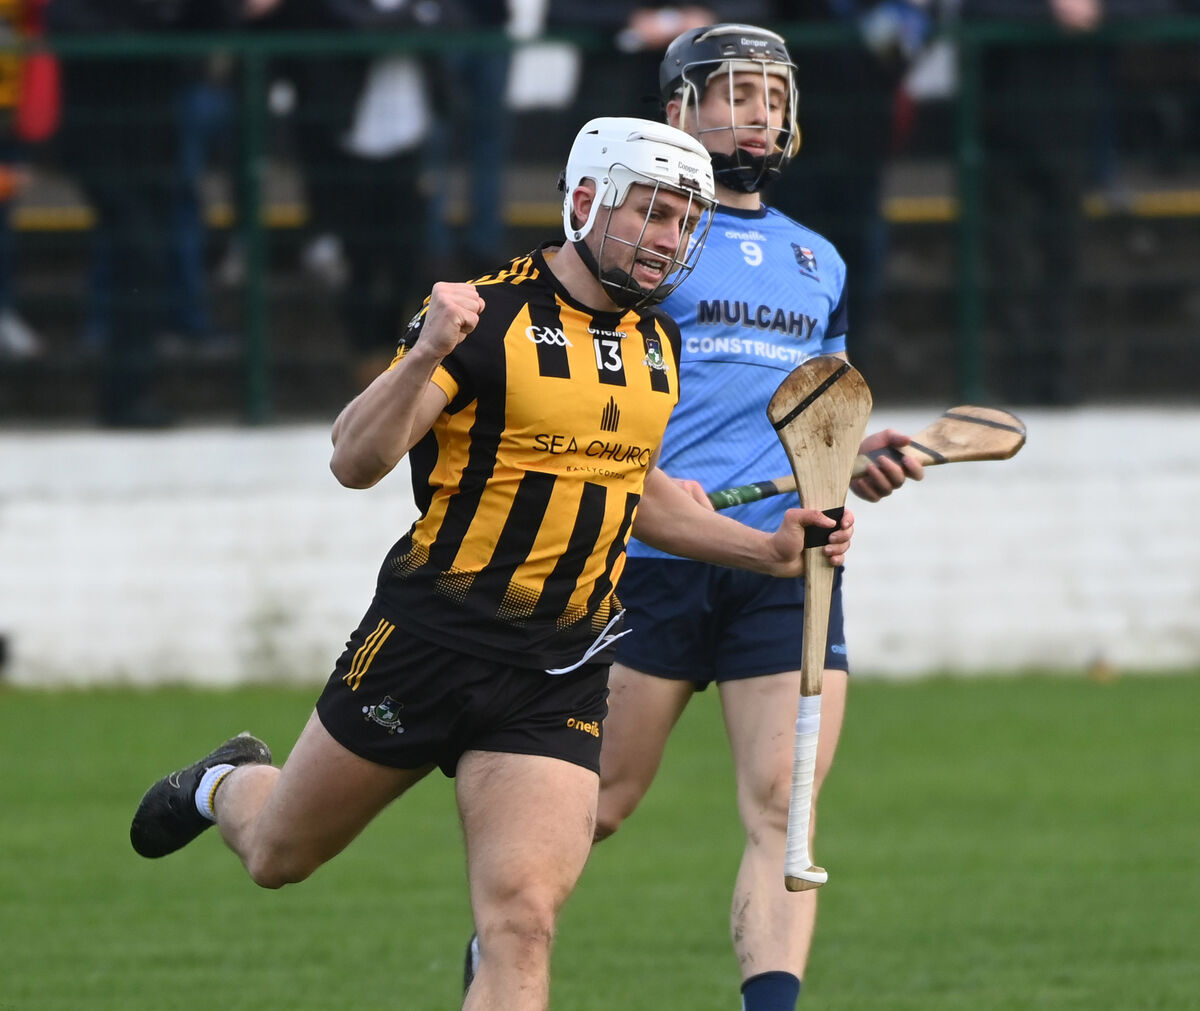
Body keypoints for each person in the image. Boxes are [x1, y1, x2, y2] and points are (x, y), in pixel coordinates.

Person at [128, 116, 856, 1011]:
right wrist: (425, 350)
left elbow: (638, 489)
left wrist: (771, 551)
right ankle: (223, 781)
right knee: (281, 853)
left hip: (558, 671)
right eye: (651, 213)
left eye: (683, 220)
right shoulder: (483, 317)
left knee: (522, 922)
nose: (670, 240)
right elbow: (354, 458)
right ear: (584, 202)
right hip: (429, 639)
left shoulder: (657, 343)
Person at [587, 26, 921, 1010]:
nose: (761, 113)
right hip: (652, 557)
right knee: (599, 802)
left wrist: (850, 462)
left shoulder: (818, 258)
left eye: (773, 96)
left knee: (784, 809)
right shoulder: (643, 238)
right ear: (679, 109)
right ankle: (504, 949)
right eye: (737, 94)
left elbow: (818, 412)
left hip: (790, 564)